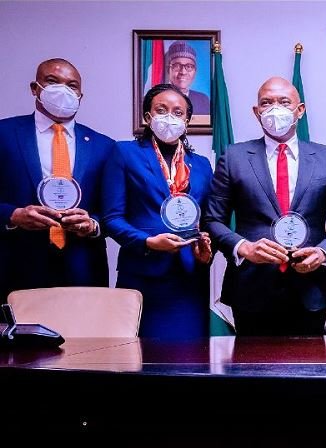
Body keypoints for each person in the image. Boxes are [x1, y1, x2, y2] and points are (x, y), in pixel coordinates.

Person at [202, 76, 326, 336]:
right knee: (252, 372)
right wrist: (243, 248)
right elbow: (213, 220)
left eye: (284, 102)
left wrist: (324, 253)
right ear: (256, 112)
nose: (275, 109)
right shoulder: (234, 157)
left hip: (310, 287)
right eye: (266, 102)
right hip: (250, 288)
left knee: (309, 371)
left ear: (300, 110)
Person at [101, 83, 213, 339]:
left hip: (189, 277)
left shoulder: (203, 165)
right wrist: (149, 242)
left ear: (187, 120)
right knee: (141, 359)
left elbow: (209, 221)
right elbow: (111, 218)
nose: (169, 117)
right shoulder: (124, 153)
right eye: (161, 110)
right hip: (143, 273)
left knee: (191, 359)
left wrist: (207, 248)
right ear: (148, 117)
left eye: (177, 112)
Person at [0, 58, 114, 302]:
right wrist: (13, 215)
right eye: (53, 81)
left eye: (72, 86)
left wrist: (93, 225)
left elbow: (115, 210)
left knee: (88, 339)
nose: (63, 90)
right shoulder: (4, 134)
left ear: (80, 96)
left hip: (83, 269)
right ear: (35, 88)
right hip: (16, 266)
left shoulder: (104, 146)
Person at [165, 40, 210, 115]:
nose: (183, 72)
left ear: (195, 71)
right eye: (177, 66)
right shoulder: (156, 97)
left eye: (189, 67)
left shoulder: (203, 100)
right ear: (168, 70)